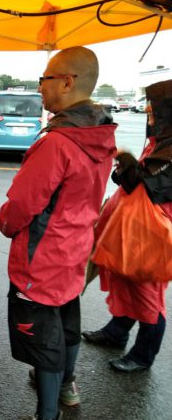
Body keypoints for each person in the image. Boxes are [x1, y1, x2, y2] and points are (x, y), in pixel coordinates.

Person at [0, 46, 117, 420]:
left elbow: (21, 205)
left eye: (44, 79)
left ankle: (47, 413)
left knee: (44, 340)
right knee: (67, 323)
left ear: (66, 82)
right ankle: (67, 388)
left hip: (42, 258)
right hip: (76, 249)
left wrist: (5, 224)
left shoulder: (56, 143)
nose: (40, 87)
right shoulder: (101, 134)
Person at [82, 79, 172, 372]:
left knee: (148, 295)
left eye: (154, 108)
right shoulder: (160, 143)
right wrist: (125, 170)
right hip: (133, 233)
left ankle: (143, 355)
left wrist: (131, 170)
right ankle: (116, 333)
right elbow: (137, 182)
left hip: (153, 237)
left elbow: (155, 189)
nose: (148, 111)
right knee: (126, 284)